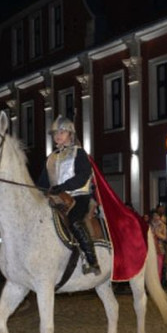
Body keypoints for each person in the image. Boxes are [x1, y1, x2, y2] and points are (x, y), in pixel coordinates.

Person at [36, 116, 99, 275]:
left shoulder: (79, 153)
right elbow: (43, 182)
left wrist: (63, 187)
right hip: (57, 198)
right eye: (55, 133)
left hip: (78, 196)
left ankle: (91, 259)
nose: (58, 135)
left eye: (62, 132)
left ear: (70, 134)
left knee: (74, 220)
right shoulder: (51, 158)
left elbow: (83, 175)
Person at [149, 209, 167, 282]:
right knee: (151, 269)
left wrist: (158, 235)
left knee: (159, 269)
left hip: (160, 249)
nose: (155, 217)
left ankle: (158, 284)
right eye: (154, 216)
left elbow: (165, 237)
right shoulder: (149, 225)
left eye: (157, 216)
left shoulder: (163, 225)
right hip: (150, 250)